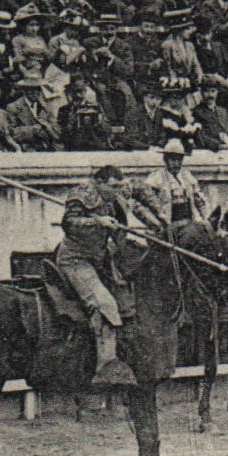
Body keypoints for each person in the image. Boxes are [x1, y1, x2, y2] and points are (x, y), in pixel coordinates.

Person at [58, 164, 151, 388]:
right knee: (105, 303)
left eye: (119, 186)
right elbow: (69, 224)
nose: (116, 191)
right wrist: (96, 221)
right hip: (76, 259)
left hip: (104, 257)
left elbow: (137, 201)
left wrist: (158, 224)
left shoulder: (118, 192)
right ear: (99, 183)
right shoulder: (81, 194)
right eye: (112, 187)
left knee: (129, 303)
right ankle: (106, 365)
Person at [140, 138, 209, 225]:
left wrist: (205, 217)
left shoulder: (187, 176)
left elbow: (199, 199)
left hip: (189, 222)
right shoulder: (157, 177)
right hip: (169, 223)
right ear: (166, 160)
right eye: (173, 160)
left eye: (179, 160)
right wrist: (159, 216)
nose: (176, 164)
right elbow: (147, 198)